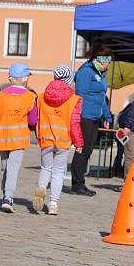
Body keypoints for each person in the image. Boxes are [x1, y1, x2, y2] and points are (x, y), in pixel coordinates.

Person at [33, 65, 83, 216]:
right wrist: (79, 142)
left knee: (45, 168)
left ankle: (41, 186)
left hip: (46, 138)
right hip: (63, 141)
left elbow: (37, 118)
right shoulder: (75, 99)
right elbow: (74, 123)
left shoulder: (41, 97)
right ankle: (53, 203)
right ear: (69, 80)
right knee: (58, 172)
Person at [0, 63, 38, 213]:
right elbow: (32, 121)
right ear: (25, 80)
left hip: (2, 136)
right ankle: (8, 197)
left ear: (10, 78)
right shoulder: (30, 97)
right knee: (13, 168)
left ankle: (5, 194)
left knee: (5, 167)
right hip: (18, 137)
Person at [70, 44, 113, 196]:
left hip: (96, 116)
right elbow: (79, 94)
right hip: (85, 116)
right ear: (101, 60)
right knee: (82, 149)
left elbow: (102, 97)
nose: (110, 63)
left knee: (88, 150)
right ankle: (77, 184)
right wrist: (79, 114)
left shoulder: (100, 74)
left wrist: (107, 116)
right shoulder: (85, 72)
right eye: (109, 60)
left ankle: (80, 181)